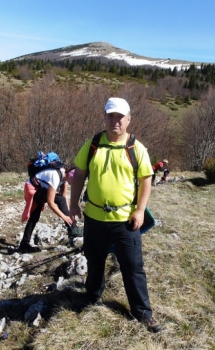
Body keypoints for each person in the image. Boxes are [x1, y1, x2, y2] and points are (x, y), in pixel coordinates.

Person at [69, 97, 162, 333]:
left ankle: (142, 312)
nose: (115, 121)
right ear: (105, 117)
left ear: (129, 119)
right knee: (94, 260)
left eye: (120, 117)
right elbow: (79, 174)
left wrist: (140, 210)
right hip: (94, 218)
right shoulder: (92, 145)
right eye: (111, 116)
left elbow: (146, 179)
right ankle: (92, 298)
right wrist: (73, 205)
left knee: (132, 266)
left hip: (126, 220)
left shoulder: (136, 148)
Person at [20, 163, 82, 252]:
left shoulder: (64, 178)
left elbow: (64, 198)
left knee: (34, 217)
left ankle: (24, 244)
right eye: (75, 182)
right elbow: (51, 203)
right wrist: (64, 217)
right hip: (32, 189)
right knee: (57, 201)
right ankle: (73, 229)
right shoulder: (55, 176)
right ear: (71, 177)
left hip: (39, 189)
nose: (76, 185)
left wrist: (70, 215)